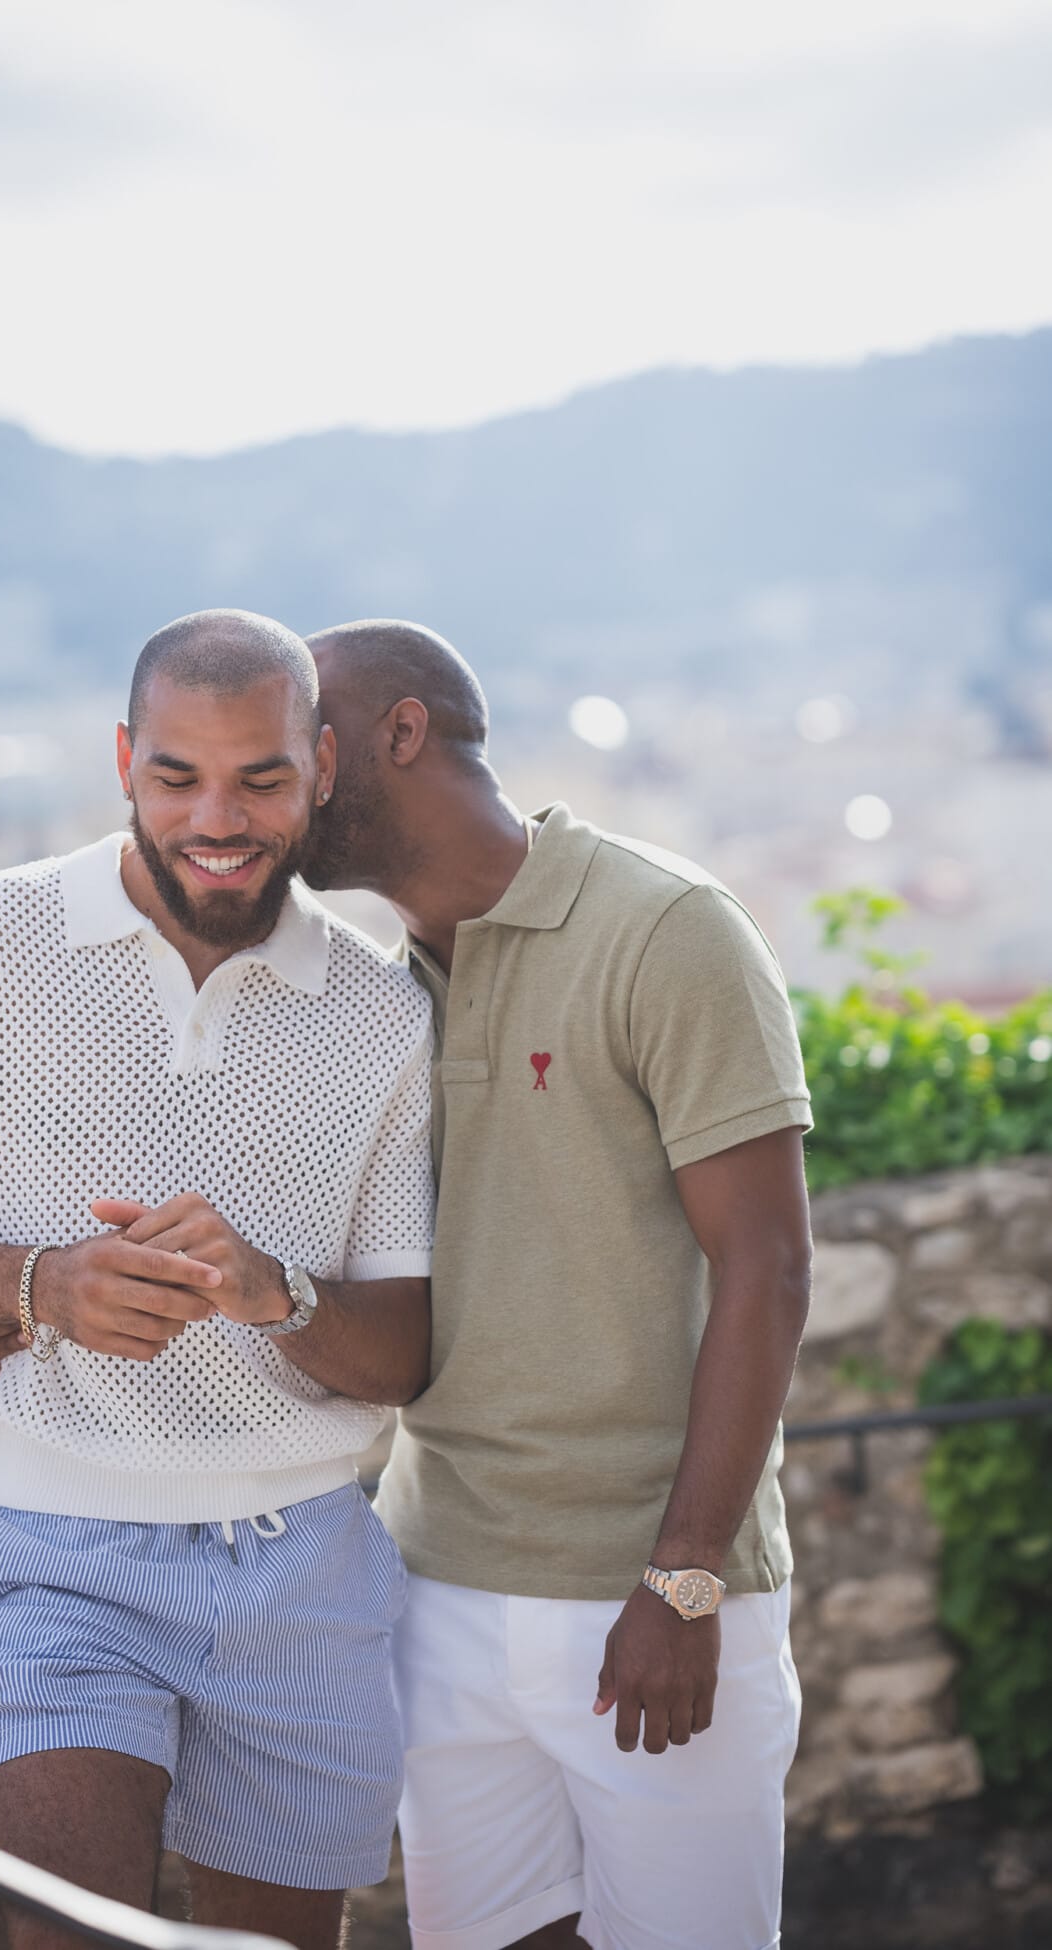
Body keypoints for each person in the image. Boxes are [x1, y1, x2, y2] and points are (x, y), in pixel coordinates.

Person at [0, 609, 435, 1950]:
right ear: (125, 760)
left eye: (261, 777)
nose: (219, 816)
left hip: (307, 1565)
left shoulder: (385, 1009)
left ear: (320, 764)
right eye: (177, 775)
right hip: (52, 1553)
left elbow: (405, 1352)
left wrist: (280, 1296)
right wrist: (35, 1281)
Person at [298, 619, 813, 1950]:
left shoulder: (666, 927)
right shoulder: (356, 993)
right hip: (438, 1582)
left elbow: (767, 1263)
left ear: (400, 733)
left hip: (654, 1591)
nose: (267, 776)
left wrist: (686, 1576)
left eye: (303, 738)